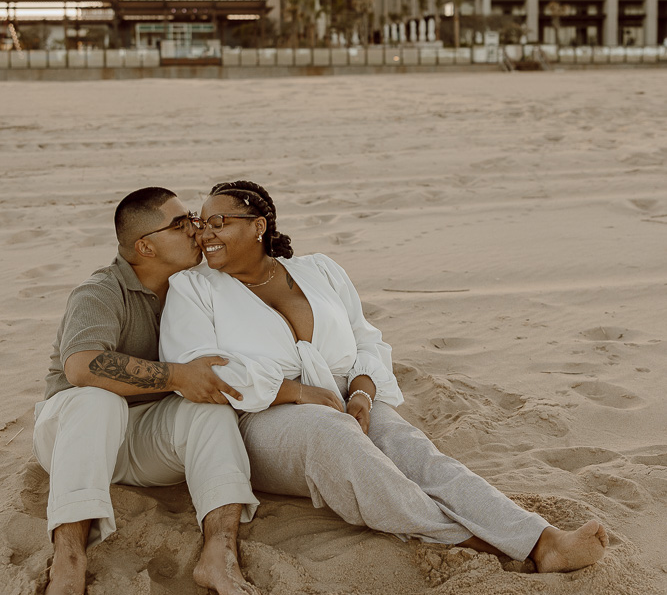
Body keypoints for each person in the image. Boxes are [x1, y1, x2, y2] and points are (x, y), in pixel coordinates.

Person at [160, 180, 609, 573]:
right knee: (335, 438)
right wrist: (297, 392)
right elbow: (201, 369)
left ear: (258, 226)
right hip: (260, 419)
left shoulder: (319, 270)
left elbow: (366, 339)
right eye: (201, 222)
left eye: (219, 221)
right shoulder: (194, 288)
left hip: (343, 401)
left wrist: (362, 394)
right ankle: (482, 542)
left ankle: (542, 539)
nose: (205, 232)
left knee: (413, 450)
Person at [33, 187, 261, 595]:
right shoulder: (100, 291)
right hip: (72, 439)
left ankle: (219, 549)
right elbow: (81, 367)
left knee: (209, 409)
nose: (195, 228)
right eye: (180, 224)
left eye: (192, 217)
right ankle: (69, 562)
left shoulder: (191, 287)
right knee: (98, 401)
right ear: (145, 246)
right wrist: (178, 375)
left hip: (141, 440)